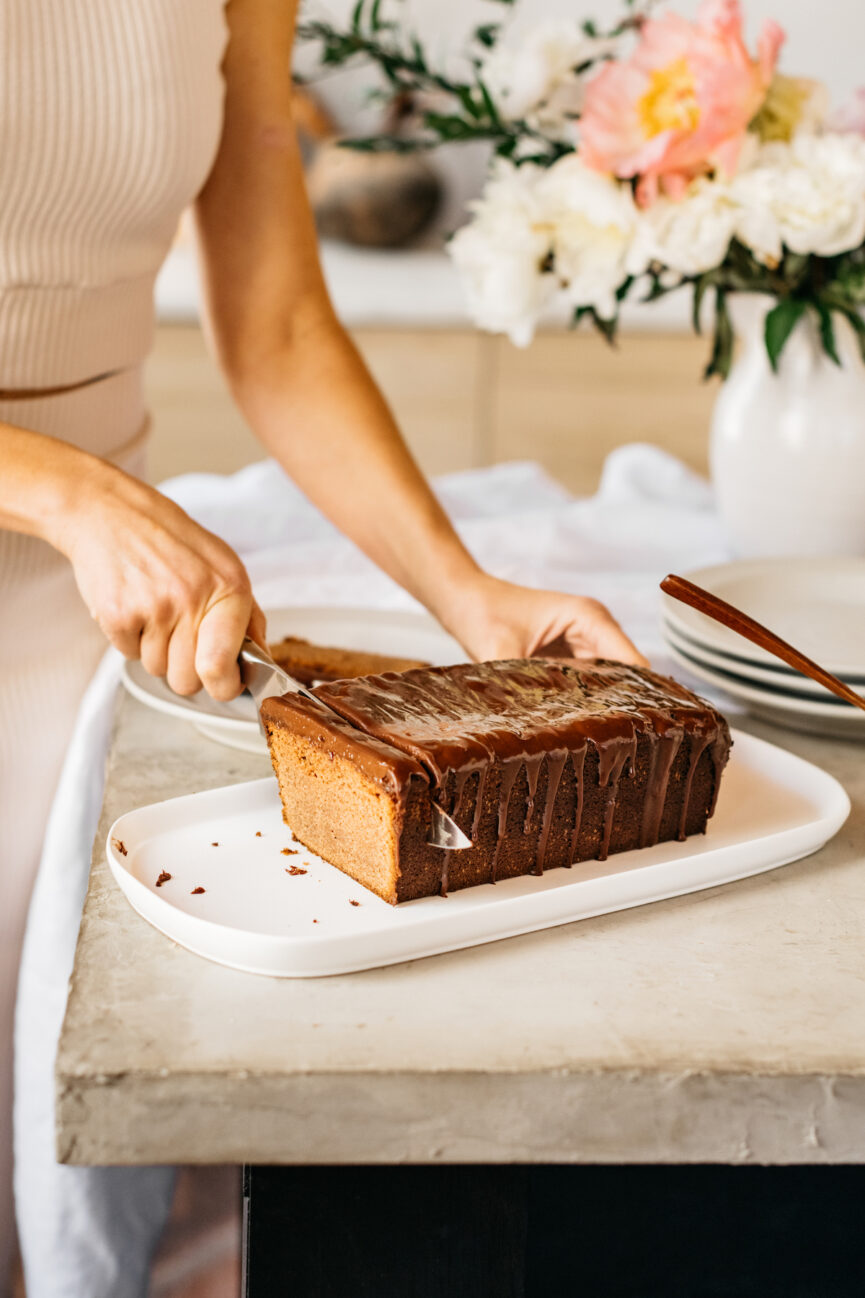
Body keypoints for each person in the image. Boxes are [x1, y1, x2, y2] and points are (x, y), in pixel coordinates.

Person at [0, 0, 645, 1292]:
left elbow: (279, 321)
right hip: (78, 518)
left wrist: (463, 596)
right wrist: (63, 490)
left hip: (93, 602)